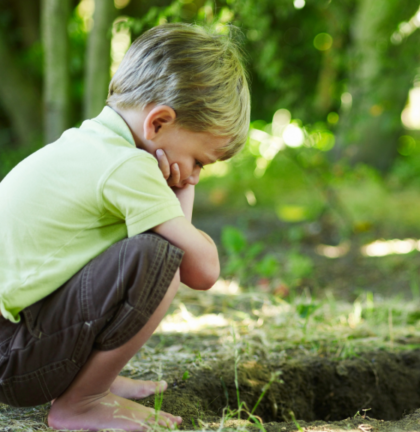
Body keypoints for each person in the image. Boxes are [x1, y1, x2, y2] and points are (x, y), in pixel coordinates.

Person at [0, 23, 250, 431]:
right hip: (12, 358)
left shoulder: (89, 144)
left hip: (11, 346)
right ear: (158, 124)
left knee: (145, 247)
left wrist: (177, 183)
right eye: (200, 162)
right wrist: (182, 189)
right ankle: (81, 402)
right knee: (158, 258)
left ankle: (91, 381)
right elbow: (200, 269)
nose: (195, 176)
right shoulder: (126, 166)